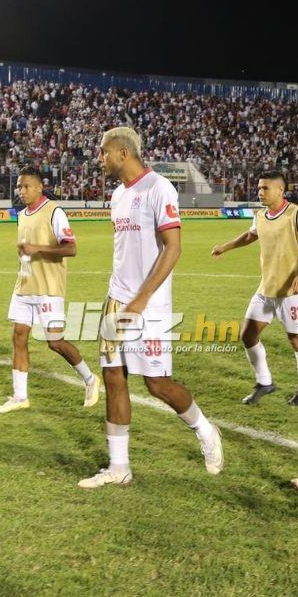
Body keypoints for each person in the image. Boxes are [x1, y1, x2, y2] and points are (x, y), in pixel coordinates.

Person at [79, 126, 223, 488]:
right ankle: (119, 467)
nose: (100, 158)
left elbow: (172, 248)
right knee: (113, 377)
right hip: (117, 300)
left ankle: (205, 430)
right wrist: (120, 299)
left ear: (122, 153)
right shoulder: (116, 196)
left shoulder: (160, 188)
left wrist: (141, 300)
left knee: (156, 383)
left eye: (103, 152)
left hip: (150, 305)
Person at [0, 166, 100, 414]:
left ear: (41, 186)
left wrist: (37, 250)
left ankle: (90, 379)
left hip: (49, 289)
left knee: (55, 342)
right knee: (18, 336)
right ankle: (20, 396)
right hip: (24, 286)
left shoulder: (55, 212)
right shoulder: (22, 214)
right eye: (19, 186)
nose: (22, 191)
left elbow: (71, 248)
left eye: (27, 186)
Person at [211, 171, 298, 407]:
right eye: (259, 188)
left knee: (297, 339)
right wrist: (225, 247)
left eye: (265, 188)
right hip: (266, 288)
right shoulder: (260, 215)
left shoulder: (297, 213)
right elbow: (251, 235)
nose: (260, 192)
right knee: (248, 334)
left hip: (291, 291)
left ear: (280, 190)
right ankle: (264, 382)